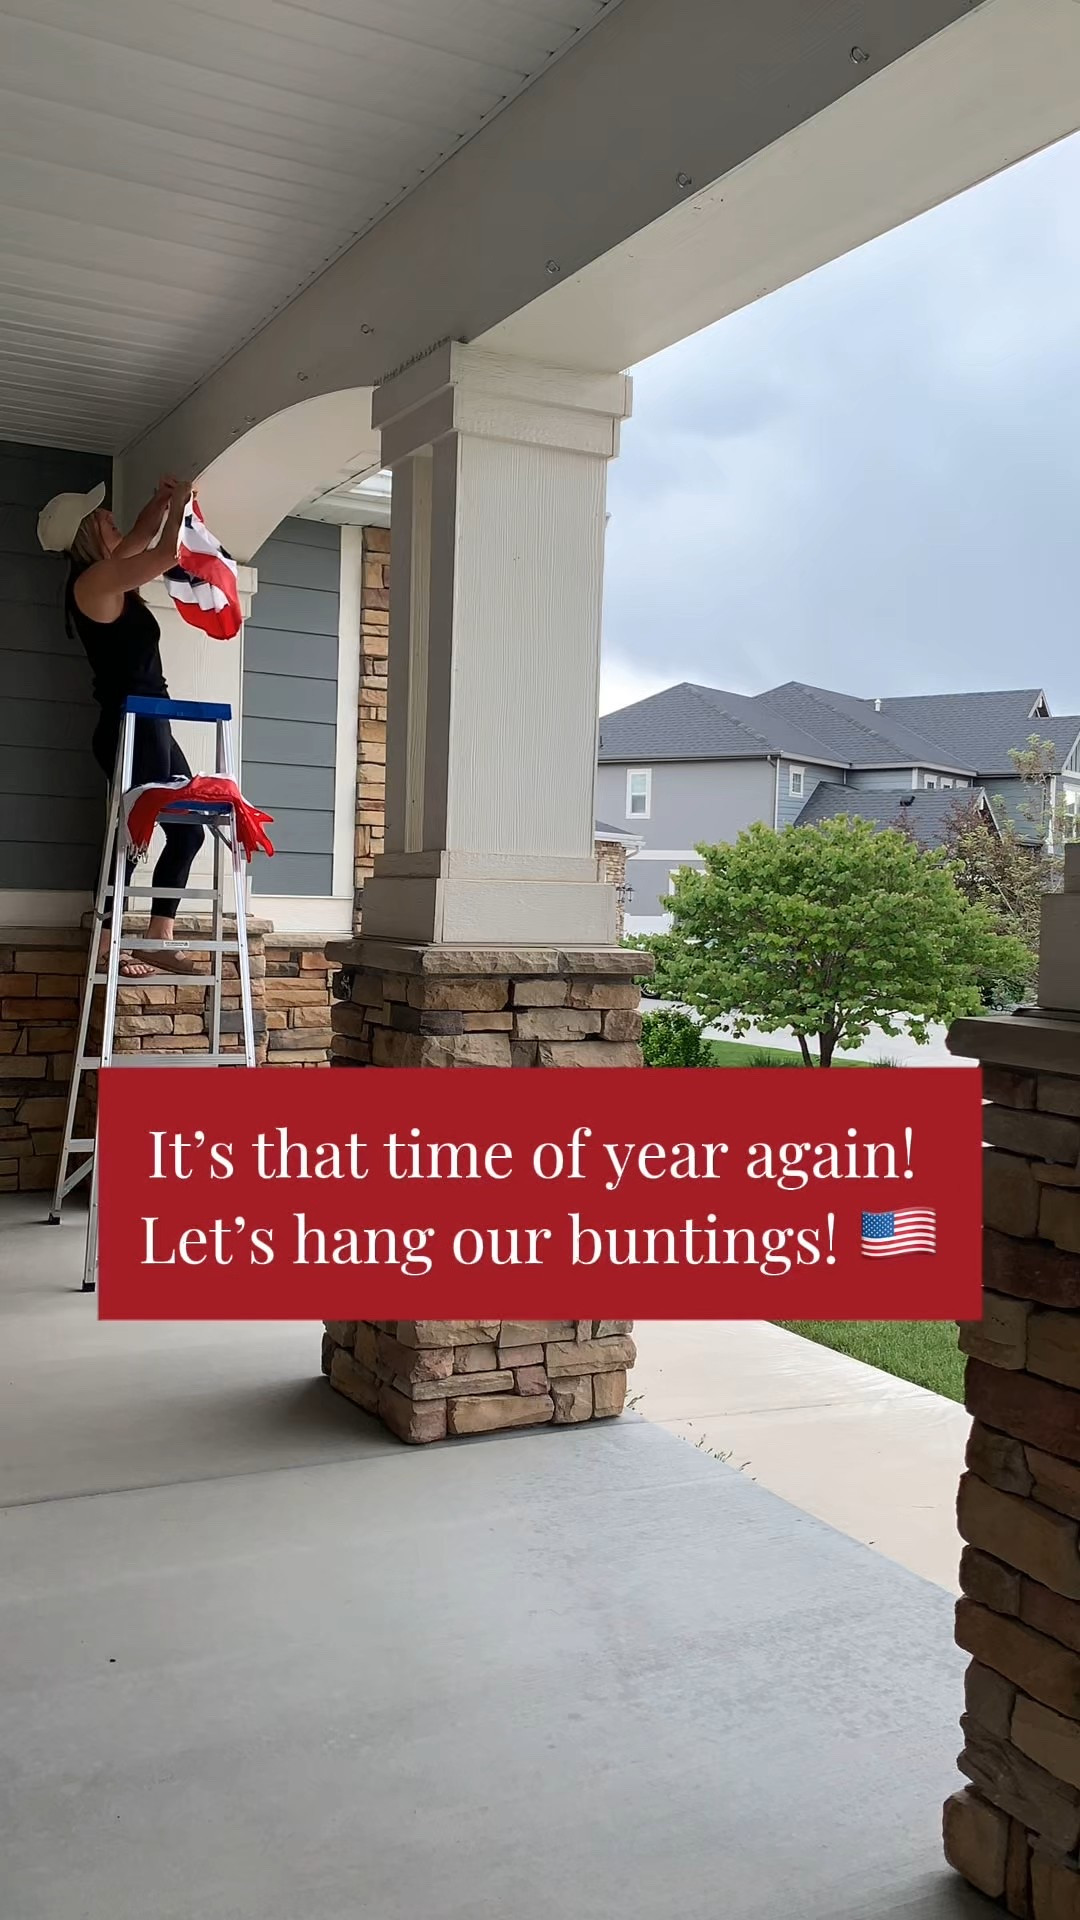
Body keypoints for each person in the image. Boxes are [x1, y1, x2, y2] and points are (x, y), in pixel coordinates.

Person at [37, 477, 204, 977]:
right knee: (132, 837)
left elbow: (140, 538)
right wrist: (183, 508)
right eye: (103, 515)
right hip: (131, 724)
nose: (112, 516)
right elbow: (166, 555)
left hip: (152, 722)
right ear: (88, 530)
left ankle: (158, 937)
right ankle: (107, 943)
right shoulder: (95, 583)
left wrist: (161, 502)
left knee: (188, 831)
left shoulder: (108, 572)